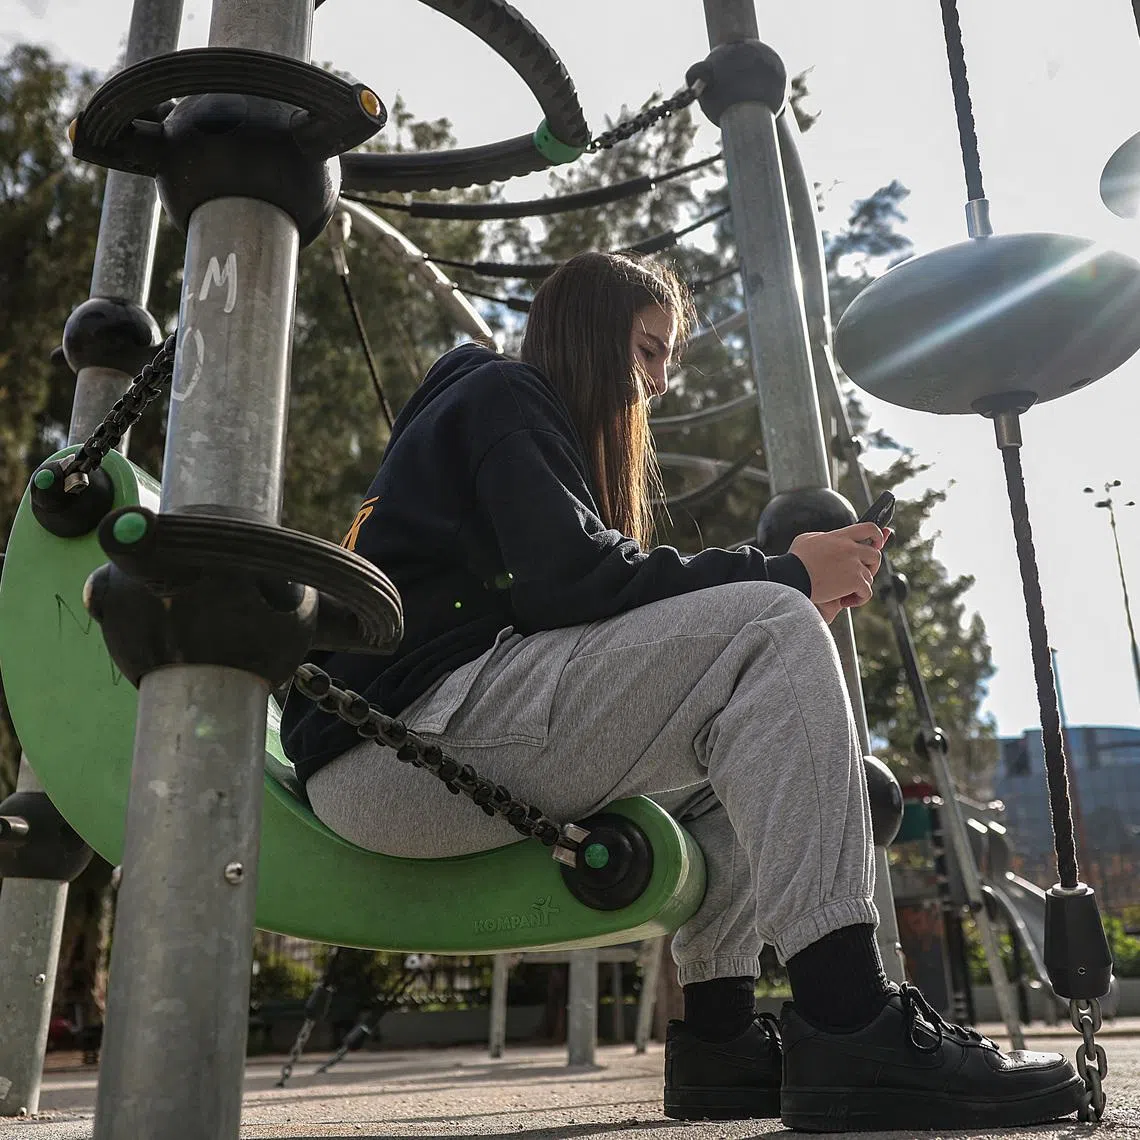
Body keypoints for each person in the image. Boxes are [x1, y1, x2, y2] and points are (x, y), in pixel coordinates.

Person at [281, 251, 1084, 1131]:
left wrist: (782, 578)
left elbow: (565, 602)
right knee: (773, 627)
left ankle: (721, 1039)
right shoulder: (504, 396)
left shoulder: (496, 417)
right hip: (395, 750)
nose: (661, 380)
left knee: (741, 744)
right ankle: (852, 1017)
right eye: (649, 349)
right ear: (590, 333)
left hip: (417, 744)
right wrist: (784, 571)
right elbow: (574, 581)